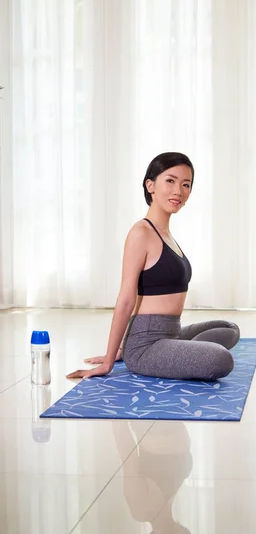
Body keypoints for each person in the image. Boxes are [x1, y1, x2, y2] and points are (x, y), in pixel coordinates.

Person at [67, 152, 240, 382]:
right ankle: (157, 355)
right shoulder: (141, 233)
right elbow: (127, 299)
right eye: (170, 180)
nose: (178, 191)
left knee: (230, 328)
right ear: (151, 185)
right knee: (221, 359)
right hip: (145, 344)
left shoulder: (167, 234)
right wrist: (110, 358)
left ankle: (177, 354)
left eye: (186, 184)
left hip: (172, 332)